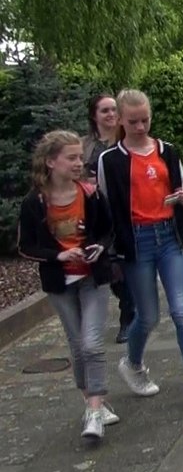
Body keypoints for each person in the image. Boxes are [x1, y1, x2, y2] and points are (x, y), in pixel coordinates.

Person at [97, 90, 183, 412]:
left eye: (145, 120)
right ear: (120, 120)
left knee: (182, 310)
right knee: (146, 315)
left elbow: (181, 187)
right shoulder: (111, 160)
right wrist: (111, 250)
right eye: (133, 121)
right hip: (137, 241)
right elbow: (106, 206)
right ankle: (132, 363)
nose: (141, 127)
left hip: (169, 236)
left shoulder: (167, 151)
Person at [19, 131, 120, 439]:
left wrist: (99, 247)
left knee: (92, 343)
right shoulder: (35, 202)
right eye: (72, 158)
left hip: (92, 278)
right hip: (60, 283)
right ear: (51, 162)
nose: (79, 163)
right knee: (77, 347)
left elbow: (108, 230)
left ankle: (94, 410)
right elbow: (27, 246)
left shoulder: (90, 193)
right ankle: (91, 400)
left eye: (80, 157)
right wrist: (59, 254)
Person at [81, 94, 134, 344]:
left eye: (114, 109)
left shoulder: (127, 141)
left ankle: (128, 316)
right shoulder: (86, 147)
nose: (111, 114)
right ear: (95, 115)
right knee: (110, 266)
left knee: (125, 265)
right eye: (105, 111)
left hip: (125, 211)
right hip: (98, 214)